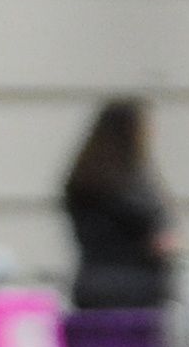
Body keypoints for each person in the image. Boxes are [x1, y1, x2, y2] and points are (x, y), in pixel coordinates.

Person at [62, 97, 176, 310]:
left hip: (91, 282)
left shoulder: (82, 178)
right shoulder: (135, 184)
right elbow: (160, 241)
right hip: (138, 287)